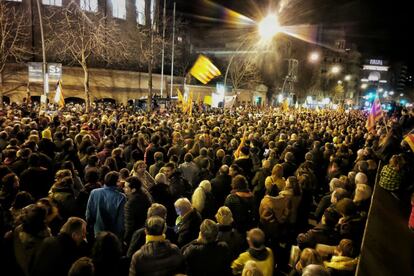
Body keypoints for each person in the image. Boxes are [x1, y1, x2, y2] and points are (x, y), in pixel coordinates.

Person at [86, 171, 127, 239]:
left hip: (97, 231)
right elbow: (120, 220)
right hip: (113, 235)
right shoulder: (121, 197)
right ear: (116, 182)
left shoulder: (94, 192)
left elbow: (89, 214)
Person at [123, 176, 153, 244]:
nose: (124, 189)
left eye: (126, 187)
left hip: (135, 236)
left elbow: (129, 224)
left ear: (133, 190)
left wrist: (126, 239)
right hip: (146, 232)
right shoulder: (146, 196)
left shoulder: (130, 204)